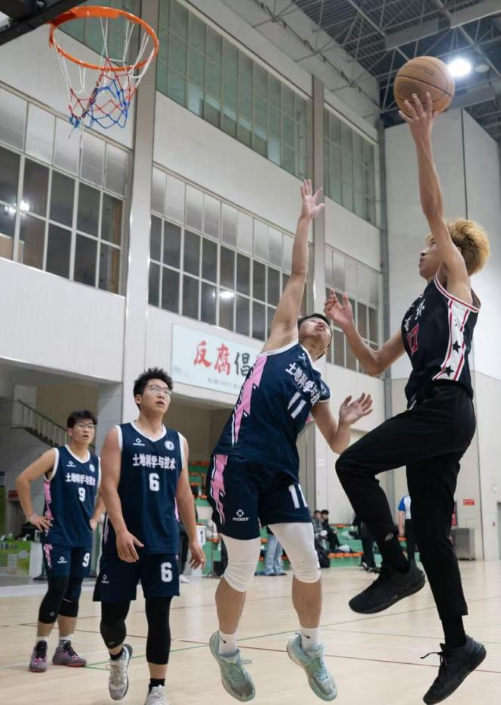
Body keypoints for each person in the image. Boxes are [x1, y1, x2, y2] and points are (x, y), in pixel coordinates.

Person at [325, 92, 490, 705]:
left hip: (447, 408)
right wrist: (348, 328)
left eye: (430, 244)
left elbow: (434, 208)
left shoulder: (456, 286)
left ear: (451, 255)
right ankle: (459, 644)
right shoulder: (419, 310)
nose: (422, 249)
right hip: (432, 417)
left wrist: (421, 138)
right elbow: (375, 363)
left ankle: (396, 568)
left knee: (352, 463)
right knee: (433, 533)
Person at [206, 179, 374, 703]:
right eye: (314, 319)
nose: (319, 323)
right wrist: (304, 220)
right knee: (241, 565)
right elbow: (299, 273)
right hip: (238, 461)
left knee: (308, 559)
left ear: (328, 343)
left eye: (326, 325)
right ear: (299, 326)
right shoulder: (280, 341)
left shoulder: (320, 386)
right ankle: (226, 649)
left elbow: (336, 445)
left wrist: (345, 420)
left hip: (281, 471)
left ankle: (310, 647)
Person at [94, 368, 205, 705]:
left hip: (163, 542)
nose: (162, 394)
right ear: (138, 398)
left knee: (160, 617)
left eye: (166, 391)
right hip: (123, 542)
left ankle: (157, 687)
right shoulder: (119, 435)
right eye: (155, 389)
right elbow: (108, 486)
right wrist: (120, 530)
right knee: (111, 619)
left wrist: (194, 537)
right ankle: (118, 656)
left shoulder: (179, 441)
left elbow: (184, 494)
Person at [16, 410, 104, 673]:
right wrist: (31, 515)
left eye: (91, 426)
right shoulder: (56, 455)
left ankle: (64, 647)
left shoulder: (97, 463)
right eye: (81, 425)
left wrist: (96, 517)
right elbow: (23, 479)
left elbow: (107, 492)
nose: (86, 430)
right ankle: (40, 646)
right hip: (58, 536)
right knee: (58, 587)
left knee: (73, 592)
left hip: (83, 537)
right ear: (70, 430)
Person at [396, 494, 416, 567]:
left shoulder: (405, 498)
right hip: (419, 521)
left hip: (409, 522)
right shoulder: (422, 496)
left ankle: (411, 564)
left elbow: (401, 513)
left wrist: (400, 528)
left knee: (410, 545)